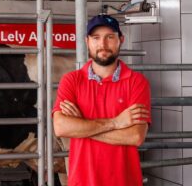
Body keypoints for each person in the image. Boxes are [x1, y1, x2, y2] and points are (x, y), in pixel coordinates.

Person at [52, 14, 151, 186]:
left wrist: (82, 125)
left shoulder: (137, 82)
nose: (102, 44)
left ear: (121, 39)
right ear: (87, 41)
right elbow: (61, 127)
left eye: (110, 37)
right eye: (96, 38)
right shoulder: (71, 80)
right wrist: (115, 122)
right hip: (82, 182)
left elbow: (135, 136)